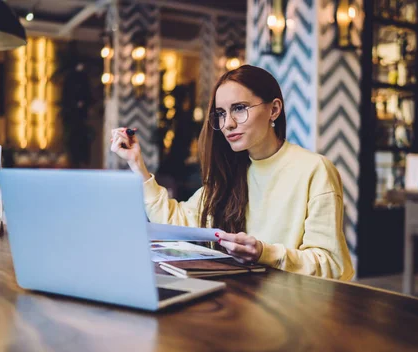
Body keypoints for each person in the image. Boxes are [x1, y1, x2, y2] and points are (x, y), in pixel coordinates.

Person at [111, 65, 354, 280]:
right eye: (221, 113)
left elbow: (332, 265)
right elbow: (178, 222)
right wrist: (137, 165)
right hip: (237, 301)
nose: (227, 124)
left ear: (274, 109)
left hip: (293, 309)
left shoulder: (314, 169)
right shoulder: (231, 173)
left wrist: (263, 252)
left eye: (239, 108)